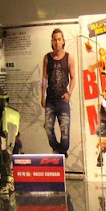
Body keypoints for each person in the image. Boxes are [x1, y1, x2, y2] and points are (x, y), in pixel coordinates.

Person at [42, 28, 75, 157]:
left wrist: (69, 93)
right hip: (50, 100)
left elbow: (73, 78)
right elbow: (44, 78)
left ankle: (62, 151)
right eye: (55, 40)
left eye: (59, 39)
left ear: (63, 41)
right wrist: (42, 96)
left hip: (62, 100)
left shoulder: (69, 57)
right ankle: (58, 150)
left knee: (65, 131)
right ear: (52, 41)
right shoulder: (47, 58)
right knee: (48, 128)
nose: (57, 42)